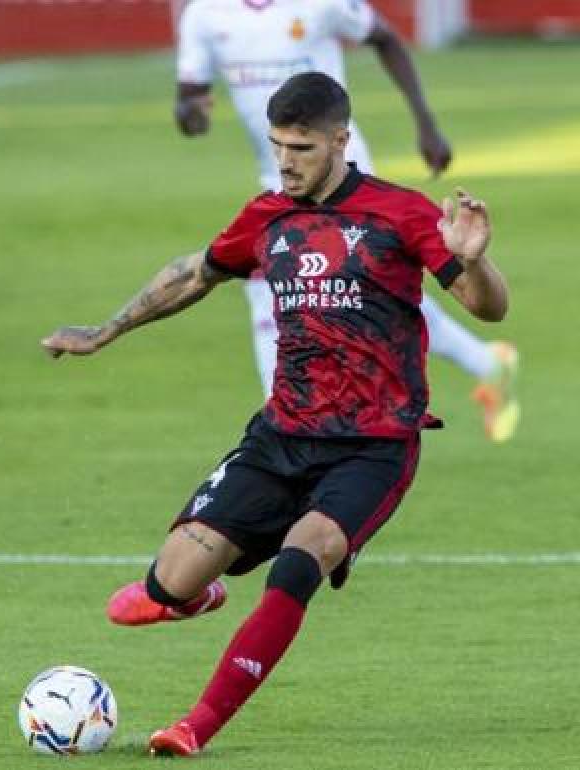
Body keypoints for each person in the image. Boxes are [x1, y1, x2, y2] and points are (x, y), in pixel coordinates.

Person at [41, 73, 509, 756]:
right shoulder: (267, 217)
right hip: (281, 436)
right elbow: (195, 272)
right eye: (277, 145)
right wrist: (104, 331)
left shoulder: (399, 214)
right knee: (167, 582)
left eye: (302, 146)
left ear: (341, 141)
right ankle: (190, 595)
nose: (286, 160)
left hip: (371, 446)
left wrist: (479, 261)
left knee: (301, 559)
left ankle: (195, 726)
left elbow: (488, 307)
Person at [171, 0, 519, 441]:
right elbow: (190, 105)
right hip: (282, 178)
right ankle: (488, 364)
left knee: (286, 290)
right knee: (364, 291)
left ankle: (284, 427)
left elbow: (386, 37)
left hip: (342, 176)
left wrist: (425, 123)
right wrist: (192, 114)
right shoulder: (205, 13)